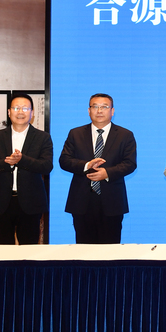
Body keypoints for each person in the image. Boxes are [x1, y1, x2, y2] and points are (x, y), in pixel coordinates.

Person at [59, 93, 137, 244]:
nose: (99, 111)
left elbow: (130, 163)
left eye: (104, 107)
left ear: (112, 111)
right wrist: (87, 166)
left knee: (110, 249)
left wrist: (107, 173)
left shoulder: (125, 135)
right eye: (95, 107)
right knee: (83, 249)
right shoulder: (75, 133)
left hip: (112, 201)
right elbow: (64, 160)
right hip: (81, 201)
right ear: (89, 111)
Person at [0, 93, 52, 245]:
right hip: (2, 203)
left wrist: (22, 159)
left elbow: (46, 166)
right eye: (16, 108)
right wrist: (7, 163)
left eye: (25, 108)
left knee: (29, 250)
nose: (20, 112)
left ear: (32, 113)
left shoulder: (42, 137)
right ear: (9, 111)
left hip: (31, 203)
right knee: (3, 250)